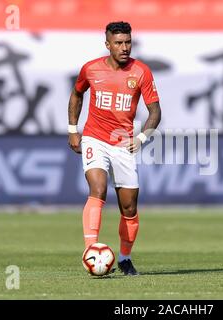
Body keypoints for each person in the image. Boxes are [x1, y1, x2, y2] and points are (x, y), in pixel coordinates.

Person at [67, 21, 161, 276]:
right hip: (94, 138)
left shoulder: (141, 72)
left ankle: (125, 258)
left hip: (123, 144)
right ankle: (91, 251)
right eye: (118, 43)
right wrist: (73, 129)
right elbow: (77, 95)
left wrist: (141, 138)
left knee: (129, 207)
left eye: (128, 42)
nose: (124, 47)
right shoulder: (91, 69)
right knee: (97, 188)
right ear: (107, 44)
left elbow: (155, 112)